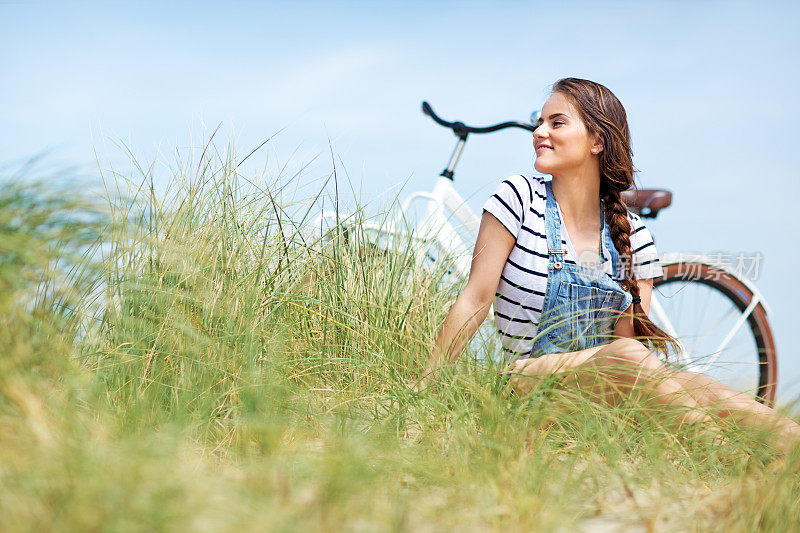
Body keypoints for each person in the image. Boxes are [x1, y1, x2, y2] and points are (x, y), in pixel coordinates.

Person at [417, 77, 800, 451]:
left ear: (597, 141)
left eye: (556, 122)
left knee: (705, 390)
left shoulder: (634, 238)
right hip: (525, 390)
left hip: (597, 405)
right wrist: (426, 386)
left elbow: (630, 373)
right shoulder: (518, 198)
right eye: (539, 122)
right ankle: (729, 461)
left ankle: (786, 456)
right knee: (633, 356)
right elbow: (475, 299)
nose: (538, 132)